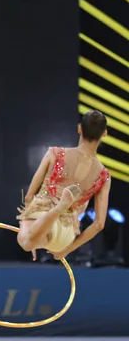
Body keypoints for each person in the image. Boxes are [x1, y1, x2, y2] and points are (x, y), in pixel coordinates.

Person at [17, 110, 111, 261]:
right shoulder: (104, 176)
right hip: (66, 233)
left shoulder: (54, 153)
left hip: (42, 213)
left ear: (80, 129)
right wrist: (67, 250)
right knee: (33, 239)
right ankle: (49, 222)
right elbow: (99, 224)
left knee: (25, 241)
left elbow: (29, 197)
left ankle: (56, 210)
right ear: (104, 134)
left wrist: (26, 224)